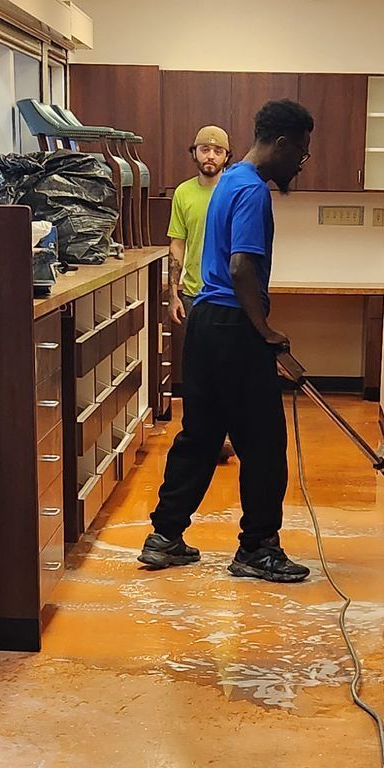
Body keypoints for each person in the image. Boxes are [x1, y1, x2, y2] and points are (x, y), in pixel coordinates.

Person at [139, 98, 314, 585]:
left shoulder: (229, 181)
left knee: (200, 435)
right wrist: (266, 332)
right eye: (299, 152)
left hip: (204, 322)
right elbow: (241, 266)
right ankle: (258, 547)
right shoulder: (252, 190)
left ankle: (165, 536)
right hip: (235, 326)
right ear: (279, 143)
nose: (300, 162)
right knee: (262, 443)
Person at [167, 123, 230, 332]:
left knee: (227, 363)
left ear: (227, 157)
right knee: (193, 363)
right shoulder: (183, 193)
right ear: (194, 153)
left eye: (218, 151)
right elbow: (177, 244)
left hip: (228, 296)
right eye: (204, 150)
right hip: (193, 296)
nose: (211, 156)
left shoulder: (236, 191)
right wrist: (173, 294)